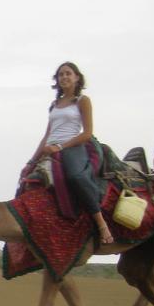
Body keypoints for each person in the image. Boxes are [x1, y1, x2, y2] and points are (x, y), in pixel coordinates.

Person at [30, 61, 113, 244]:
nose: (64, 77)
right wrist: (31, 161)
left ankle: (100, 222)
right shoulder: (54, 104)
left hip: (72, 147)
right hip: (49, 148)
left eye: (68, 73)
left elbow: (87, 133)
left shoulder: (82, 101)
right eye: (61, 74)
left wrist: (61, 147)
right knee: (28, 181)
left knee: (76, 177)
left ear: (76, 78)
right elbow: (47, 135)